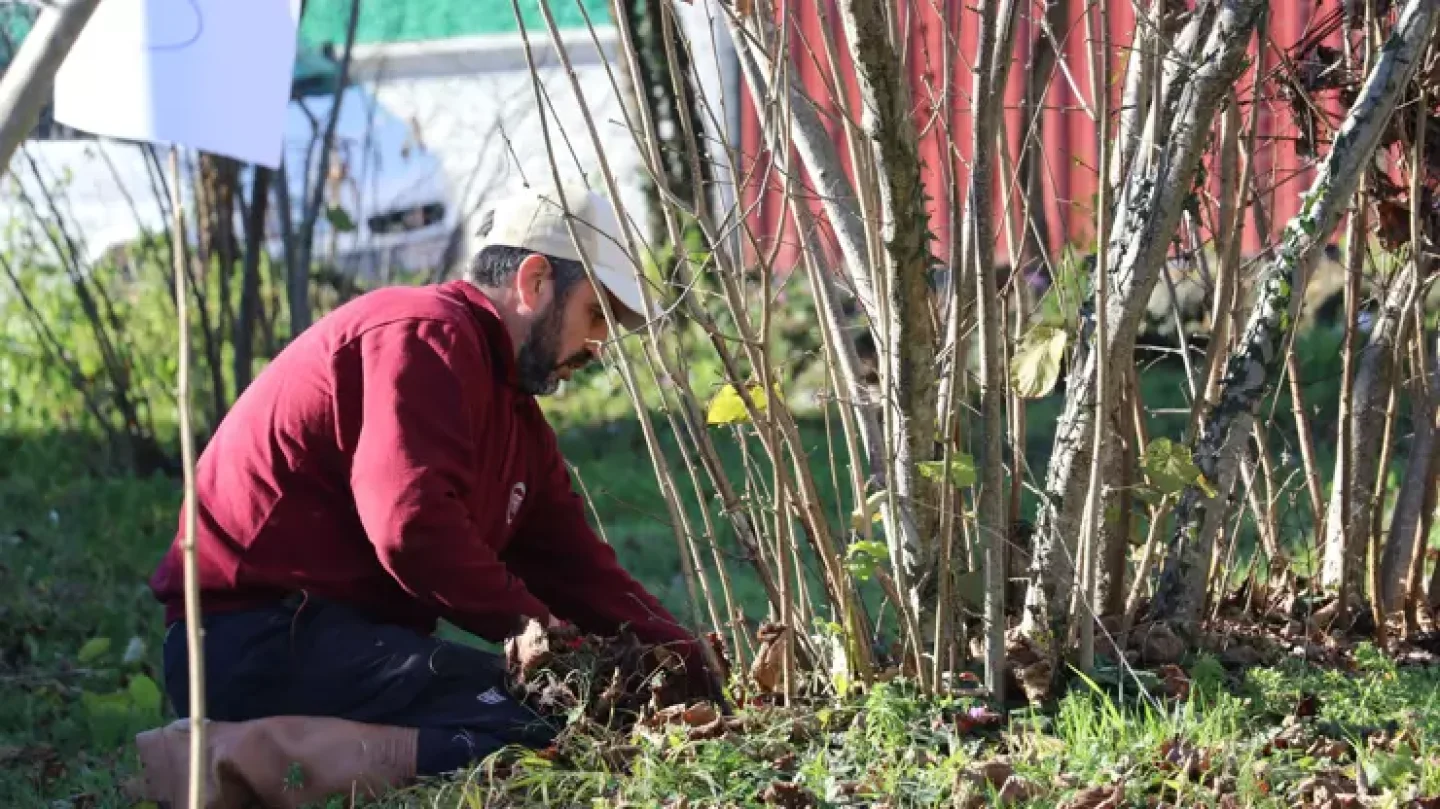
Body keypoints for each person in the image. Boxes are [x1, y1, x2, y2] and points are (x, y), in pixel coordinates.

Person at [129, 182, 721, 808]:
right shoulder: (421, 337)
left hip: (338, 639)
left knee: (565, 716)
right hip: (251, 637)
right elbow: (412, 529)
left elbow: (574, 564)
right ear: (535, 281)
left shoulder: (515, 416)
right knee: (543, 725)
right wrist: (542, 634)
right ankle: (218, 760)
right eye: (595, 315)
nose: (598, 347)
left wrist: (689, 658)